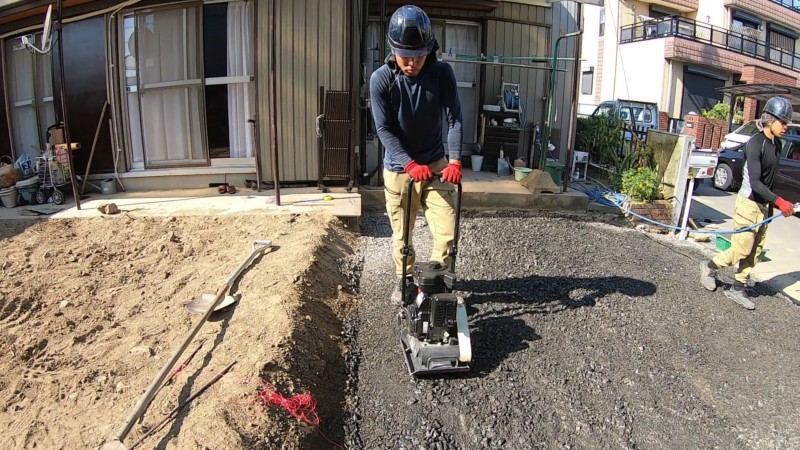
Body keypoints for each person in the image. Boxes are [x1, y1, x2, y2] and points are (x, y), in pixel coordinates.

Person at [369, 4, 463, 306]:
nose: (412, 63)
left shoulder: (441, 73)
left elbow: (455, 120)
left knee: (447, 232)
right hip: (400, 169)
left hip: (435, 164)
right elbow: (383, 129)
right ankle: (406, 281)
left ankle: (433, 285)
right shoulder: (382, 79)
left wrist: (455, 160)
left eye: (418, 55)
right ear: (392, 49)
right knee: (403, 237)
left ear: (429, 49)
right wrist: (409, 163)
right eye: (405, 56)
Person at [700, 96, 795, 310]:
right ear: (770, 120)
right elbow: (756, 182)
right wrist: (779, 201)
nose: (786, 126)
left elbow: (770, 180)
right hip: (748, 203)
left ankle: (737, 288)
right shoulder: (755, 144)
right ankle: (708, 266)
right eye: (783, 121)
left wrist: (773, 205)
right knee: (742, 248)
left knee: (755, 251)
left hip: (763, 207)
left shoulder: (777, 145)